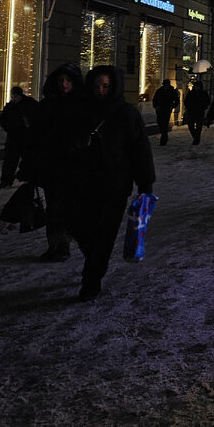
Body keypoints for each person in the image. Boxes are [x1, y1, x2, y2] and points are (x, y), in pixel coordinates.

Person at [62, 64, 155, 301]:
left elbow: (140, 150)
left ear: (114, 86)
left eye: (105, 86)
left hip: (114, 185)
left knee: (104, 234)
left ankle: (92, 279)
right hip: (81, 181)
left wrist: (145, 184)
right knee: (77, 224)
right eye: (96, 86)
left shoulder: (126, 113)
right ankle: (93, 259)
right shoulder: (80, 110)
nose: (100, 91)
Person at [22, 63, 89, 262]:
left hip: (73, 166)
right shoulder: (47, 106)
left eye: (68, 80)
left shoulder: (81, 106)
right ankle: (55, 245)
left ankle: (65, 244)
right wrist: (29, 163)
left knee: (68, 207)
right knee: (53, 207)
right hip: (51, 166)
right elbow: (34, 137)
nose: (64, 84)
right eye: (61, 80)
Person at [0, 86, 37, 188]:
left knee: (27, 160)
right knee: (10, 160)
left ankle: (29, 179)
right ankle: (6, 181)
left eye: (15, 96)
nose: (14, 98)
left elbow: (36, 117)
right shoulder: (11, 106)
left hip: (25, 137)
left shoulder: (29, 104)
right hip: (14, 137)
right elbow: (3, 120)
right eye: (13, 96)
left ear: (19, 95)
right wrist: (10, 129)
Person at [151, 79, 181, 145]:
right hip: (159, 109)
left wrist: (172, 106)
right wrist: (156, 106)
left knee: (164, 123)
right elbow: (155, 99)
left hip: (167, 109)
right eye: (165, 84)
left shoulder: (172, 91)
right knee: (160, 123)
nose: (166, 86)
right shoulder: (159, 90)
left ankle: (163, 139)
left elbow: (176, 100)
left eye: (167, 85)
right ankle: (165, 136)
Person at [183, 80, 212, 145]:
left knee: (199, 126)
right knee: (191, 126)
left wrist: (203, 107)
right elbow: (186, 101)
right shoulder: (191, 93)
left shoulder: (203, 93)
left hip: (199, 112)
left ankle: (196, 139)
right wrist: (188, 107)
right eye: (196, 86)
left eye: (198, 86)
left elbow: (207, 101)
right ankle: (196, 137)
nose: (197, 88)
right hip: (191, 111)